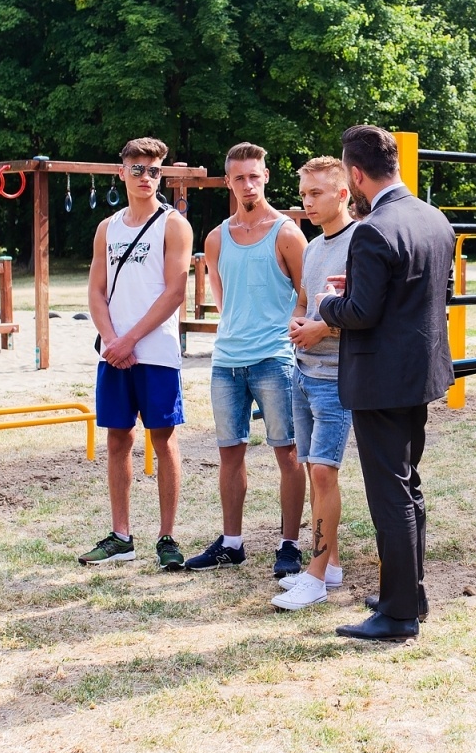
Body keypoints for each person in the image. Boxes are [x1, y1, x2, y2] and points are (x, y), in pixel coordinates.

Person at [318, 125, 456, 641]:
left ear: (354, 175)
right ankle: (409, 592)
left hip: (380, 378)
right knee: (408, 483)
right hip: (420, 372)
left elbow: (359, 311)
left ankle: (399, 614)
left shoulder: (373, 230)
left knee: (390, 493)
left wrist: (330, 302)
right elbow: (441, 293)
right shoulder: (434, 218)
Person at [183, 143, 309, 576]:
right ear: (229, 181)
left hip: (274, 359)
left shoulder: (288, 232)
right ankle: (231, 543)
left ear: (266, 177)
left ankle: (289, 545)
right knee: (229, 453)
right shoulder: (216, 238)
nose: (248, 184)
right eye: (239, 177)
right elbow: (223, 299)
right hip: (227, 361)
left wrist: (288, 330)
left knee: (287, 453)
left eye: (254, 176)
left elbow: (307, 296)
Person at [77, 138, 195, 570]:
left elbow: (175, 291)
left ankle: (167, 536)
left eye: (154, 171)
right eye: (138, 169)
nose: (146, 177)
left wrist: (131, 340)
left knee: (162, 440)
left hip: (156, 351)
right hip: (114, 353)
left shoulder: (173, 224)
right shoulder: (108, 227)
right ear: (121, 173)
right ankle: (121, 536)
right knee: (117, 440)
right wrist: (112, 339)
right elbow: (95, 289)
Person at [272, 157, 358, 611]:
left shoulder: (360, 241)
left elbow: (363, 309)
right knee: (311, 467)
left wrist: (321, 329)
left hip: (336, 379)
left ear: (343, 193)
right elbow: (306, 300)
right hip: (302, 373)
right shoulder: (313, 246)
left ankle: (317, 574)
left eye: (316, 194)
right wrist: (298, 322)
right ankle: (333, 562)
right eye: (304, 194)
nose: (306, 203)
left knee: (324, 470)